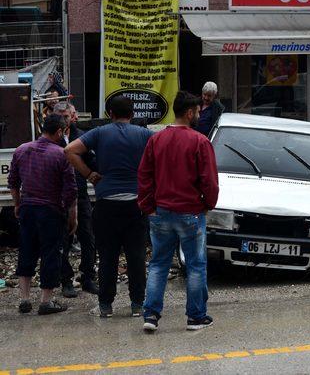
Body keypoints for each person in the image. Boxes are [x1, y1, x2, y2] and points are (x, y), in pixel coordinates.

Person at [65, 96, 153, 318]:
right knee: (136, 257)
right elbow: (162, 153)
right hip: (135, 205)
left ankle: (106, 305)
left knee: (107, 258)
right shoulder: (143, 135)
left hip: (106, 206)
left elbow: (70, 151)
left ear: (110, 114)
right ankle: (137, 305)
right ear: (132, 114)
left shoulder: (100, 133)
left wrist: (88, 174)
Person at [138, 91, 219, 332]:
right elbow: (209, 181)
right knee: (195, 265)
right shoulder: (200, 141)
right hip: (191, 212)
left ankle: (150, 315)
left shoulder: (156, 140)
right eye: (197, 111)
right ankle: (196, 317)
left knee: (158, 264)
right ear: (189, 112)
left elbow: (144, 175)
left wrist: (148, 206)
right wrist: (208, 204)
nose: (199, 114)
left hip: (161, 211)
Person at [8, 114, 77, 315]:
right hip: (51, 211)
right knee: (51, 253)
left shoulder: (21, 150)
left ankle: (24, 298)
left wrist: (17, 204)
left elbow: (13, 182)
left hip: (28, 208)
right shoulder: (62, 154)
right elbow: (70, 191)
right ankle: (46, 301)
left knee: (27, 250)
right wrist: (73, 216)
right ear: (59, 132)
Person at [52, 102, 98, 297]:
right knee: (63, 240)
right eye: (60, 114)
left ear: (74, 116)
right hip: (59, 198)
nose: (64, 117)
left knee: (89, 238)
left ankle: (88, 277)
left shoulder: (82, 137)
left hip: (80, 194)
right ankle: (66, 281)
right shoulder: (50, 139)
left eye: (67, 114)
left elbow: (93, 162)